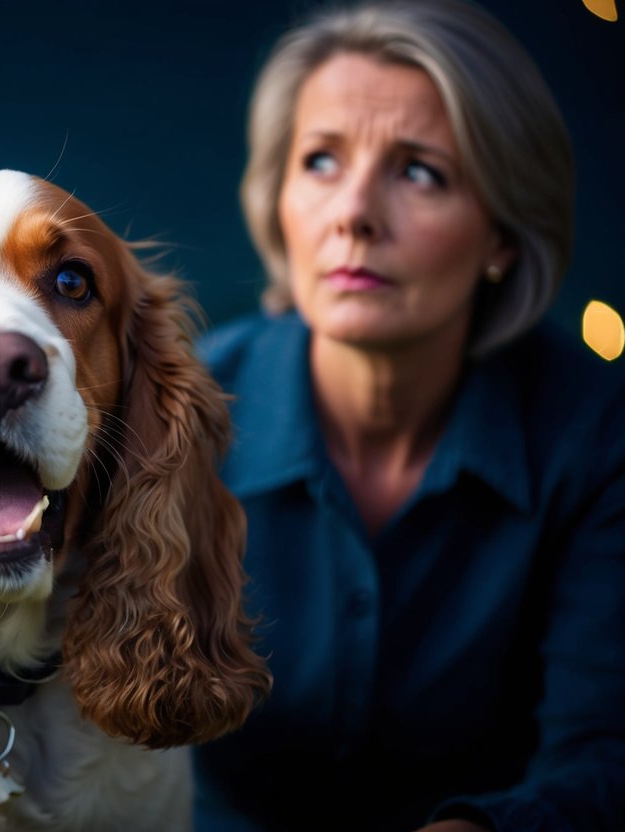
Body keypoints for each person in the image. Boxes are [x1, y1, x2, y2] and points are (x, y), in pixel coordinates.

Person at [193, 1, 625, 830]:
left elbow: (604, 754)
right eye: (319, 161)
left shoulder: (596, 434)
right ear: (277, 196)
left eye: (418, 171)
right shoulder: (178, 416)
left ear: (502, 233)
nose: (352, 213)